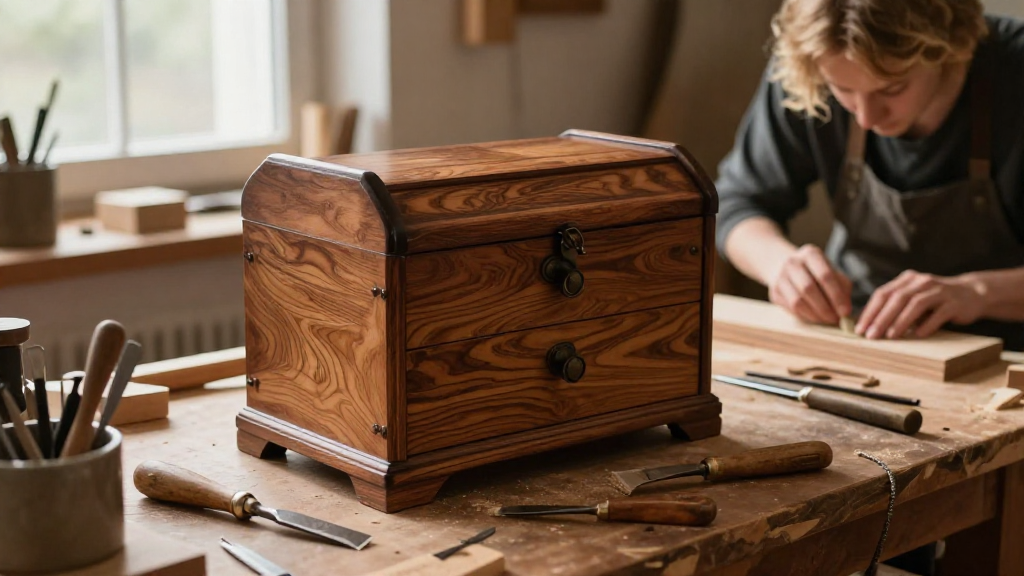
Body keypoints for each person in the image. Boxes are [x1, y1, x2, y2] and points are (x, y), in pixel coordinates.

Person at [716, 0, 1024, 350]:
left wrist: (978, 293)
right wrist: (779, 265)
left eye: (892, 89)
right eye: (843, 91)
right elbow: (735, 202)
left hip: (1008, 351)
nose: (865, 117)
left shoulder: (1015, 71)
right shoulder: (810, 63)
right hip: (858, 335)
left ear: (949, 49)